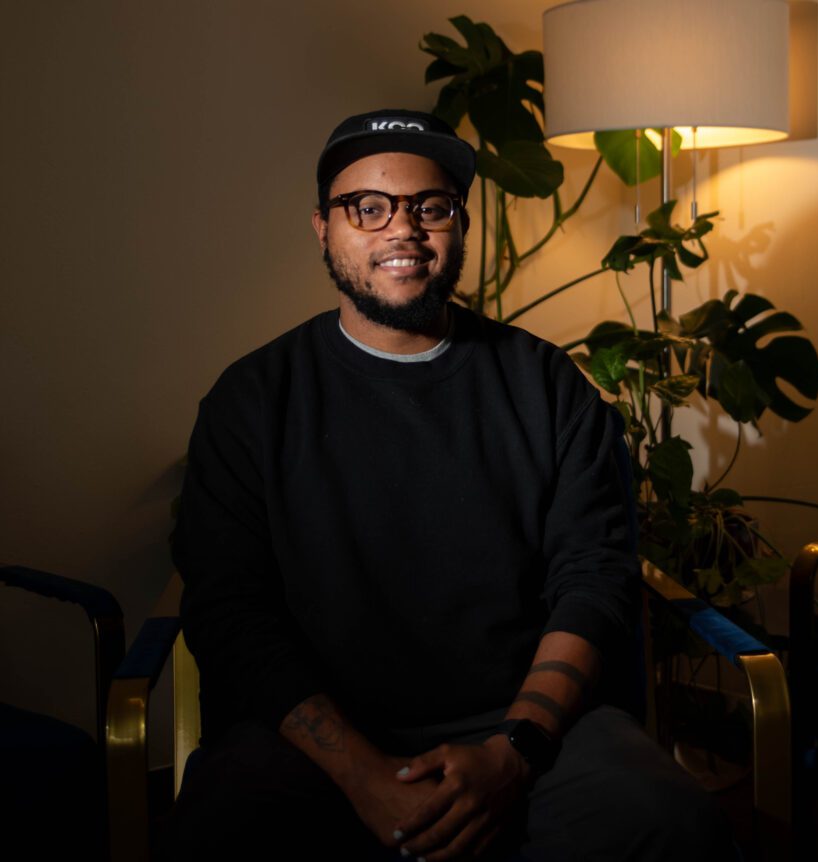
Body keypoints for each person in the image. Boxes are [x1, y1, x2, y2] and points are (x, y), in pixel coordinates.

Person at [164, 108, 734, 861]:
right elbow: (229, 610)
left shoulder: (548, 389)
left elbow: (593, 581)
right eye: (367, 207)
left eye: (429, 207)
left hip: (523, 728)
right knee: (226, 828)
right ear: (322, 226)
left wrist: (513, 751)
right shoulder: (252, 401)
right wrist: (361, 774)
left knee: (666, 820)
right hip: (314, 743)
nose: (402, 229)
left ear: (458, 227)